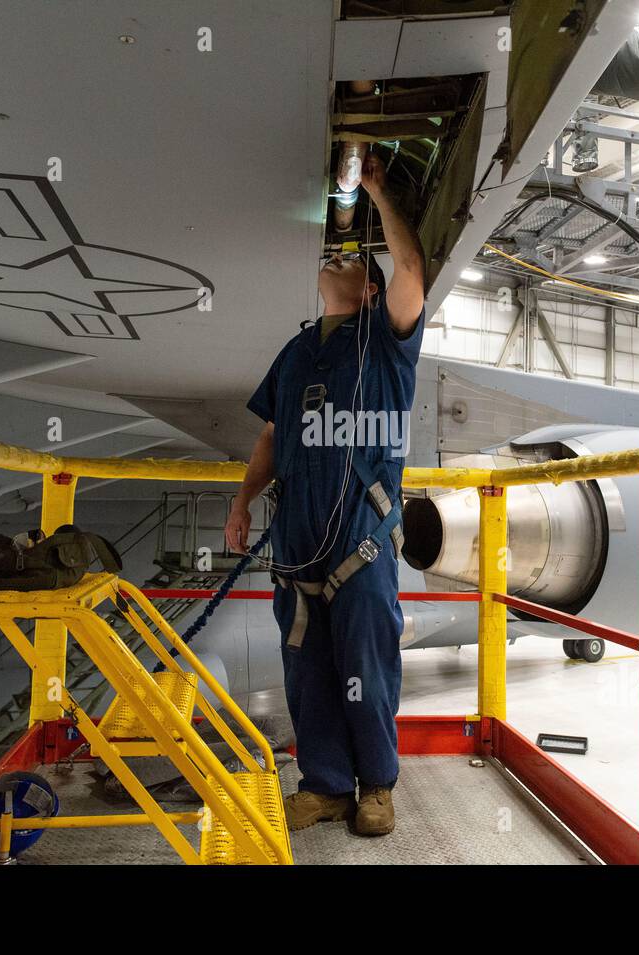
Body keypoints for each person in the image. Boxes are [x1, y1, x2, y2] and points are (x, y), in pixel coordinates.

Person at [224, 151, 425, 837]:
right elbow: (272, 438)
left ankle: (377, 785)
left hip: (360, 544)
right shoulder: (295, 352)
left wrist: (376, 190)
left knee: (365, 666)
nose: (335, 261)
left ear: (368, 289)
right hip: (296, 543)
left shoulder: (387, 342)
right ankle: (326, 785)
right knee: (306, 672)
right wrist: (241, 500)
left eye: (350, 263)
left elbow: (412, 272)